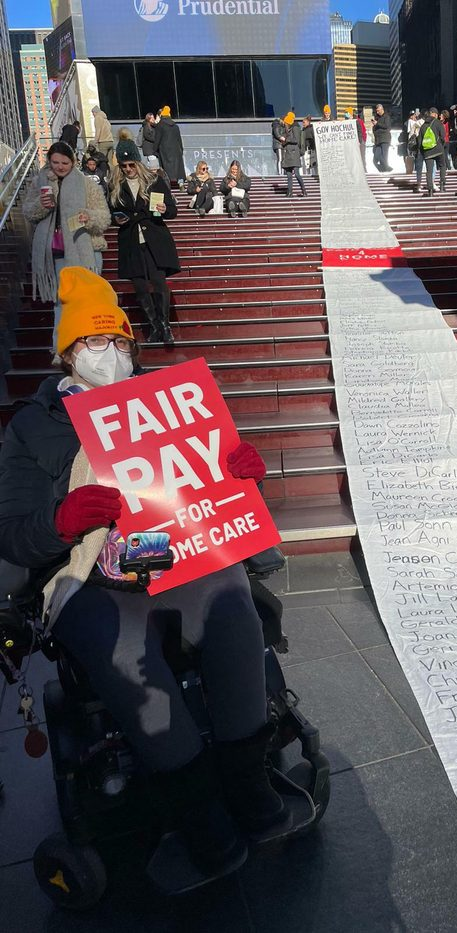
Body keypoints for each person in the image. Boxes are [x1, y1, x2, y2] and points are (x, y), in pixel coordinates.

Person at [0, 265, 289, 873]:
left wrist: (238, 475)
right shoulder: (33, 426)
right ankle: (198, 807)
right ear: (68, 354)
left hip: (168, 548)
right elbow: (12, 533)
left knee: (232, 598)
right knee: (123, 648)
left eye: (120, 342)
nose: (110, 354)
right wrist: (61, 519)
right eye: (94, 343)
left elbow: (211, 498)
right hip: (90, 569)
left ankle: (245, 776)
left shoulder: (167, 401)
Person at [22, 141, 110, 353]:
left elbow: (104, 217)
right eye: (55, 162)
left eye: (65, 162)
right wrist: (42, 206)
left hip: (86, 249)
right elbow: (28, 212)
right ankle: (61, 347)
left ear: (73, 161)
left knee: (91, 299)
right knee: (62, 301)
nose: (60, 167)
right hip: (56, 251)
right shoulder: (39, 181)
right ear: (49, 161)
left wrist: (87, 217)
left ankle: (94, 344)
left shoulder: (87, 184)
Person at [109, 136, 179, 344]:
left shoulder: (154, 180)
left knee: (158, 282)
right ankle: (154, 326)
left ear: (138, 163)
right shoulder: (115, 185)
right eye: (124, 166)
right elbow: (110, 212)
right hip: (130, 240)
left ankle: (165, 326)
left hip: (154, 238)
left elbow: (172, 210)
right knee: (139, 286)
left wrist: (165, 209)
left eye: (132, 165)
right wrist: (116, 219)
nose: (128, 169)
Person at [154, 106, 186, 188]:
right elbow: (179, 139)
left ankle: (167, 186)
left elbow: (157, 139)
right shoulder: (175, 126)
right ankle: (181, 184)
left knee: (166, 169)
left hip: (165, 150)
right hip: (176, 150)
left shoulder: (160, 125)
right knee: (179, 168)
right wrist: (181, 150)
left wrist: (155, 150)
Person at [418, 107, 447, 196]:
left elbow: (420, 141)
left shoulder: (422, 126)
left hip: (427, 152)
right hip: (438, 149)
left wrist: (423, 153)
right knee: (442, 166)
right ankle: (442, 185)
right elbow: (443, 136)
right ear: (434, 114)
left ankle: (430, 191)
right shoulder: (438, 123)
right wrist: (441, 145)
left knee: (429, 171)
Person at [279, 112, 307, 198]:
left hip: (294, 154)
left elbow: (296, 140)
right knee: (289, 175)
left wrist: (286, 139)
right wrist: (283, 141)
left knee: (297, 174)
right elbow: (287, 141)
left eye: (286, 123)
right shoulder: (287, 129)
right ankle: (289, 192)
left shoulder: (295, 127)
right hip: (288, 154)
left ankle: (304, 190)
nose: (285, 124)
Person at [371, 104, 392, 172]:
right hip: (378, 140)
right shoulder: (377, 118)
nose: (377, 112)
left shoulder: (386, 117)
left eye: (378, 111)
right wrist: (374, 125)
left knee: (384, 156)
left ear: (382, 109)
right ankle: (386, 169)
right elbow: (375, 128)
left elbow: (387, 126)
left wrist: (377, 124)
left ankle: (385, 170)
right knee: (376, 158)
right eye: (376, 111)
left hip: (385, 139)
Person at [403, 109, 422, 175]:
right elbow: (409, 131)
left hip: (417, 141)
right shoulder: (409, 122)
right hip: (412, 141)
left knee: (417, 156)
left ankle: (416, 169)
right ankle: (411, 169)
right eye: (412, 115)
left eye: (414, 115)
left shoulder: (417, 121)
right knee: (411, 156)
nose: (413, 117)